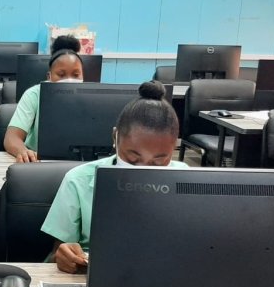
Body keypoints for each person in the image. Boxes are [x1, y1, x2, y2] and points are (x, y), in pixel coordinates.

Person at [41, 80, 188, 274]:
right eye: (133, 159)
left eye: (159, 162)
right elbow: (57, 254)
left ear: (173, 150)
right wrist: (65, 257)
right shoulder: (78, 181)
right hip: (94, 276)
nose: (143, 170)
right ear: (115, 138)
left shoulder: (187, 180)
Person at [3, 35, 84, 162]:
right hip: (38, 162)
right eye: (61, 74)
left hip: (80, 163)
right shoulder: (34, 94)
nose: (69, 79)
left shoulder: (93, 97)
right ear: (49, 76)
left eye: (76, 75)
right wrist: (24, 152)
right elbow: (11, 138)